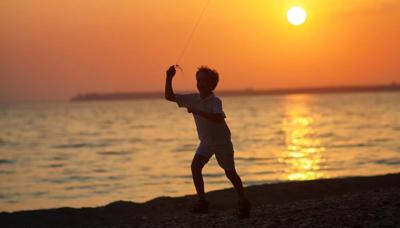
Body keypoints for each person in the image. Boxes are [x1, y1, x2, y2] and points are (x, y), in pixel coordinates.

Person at [164, 65, 251, 218]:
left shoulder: (215, 101)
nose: (199, 83)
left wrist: (197, 111)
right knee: (195, 167)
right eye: (198, 80)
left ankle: (243, 201)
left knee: (230, 173)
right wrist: (169, 77)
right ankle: (202, 202)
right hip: (206, 142)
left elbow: (218, 118)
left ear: (212, 85)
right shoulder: (192, 98)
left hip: (222, 142)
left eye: (203, 81)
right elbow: (169, 96)